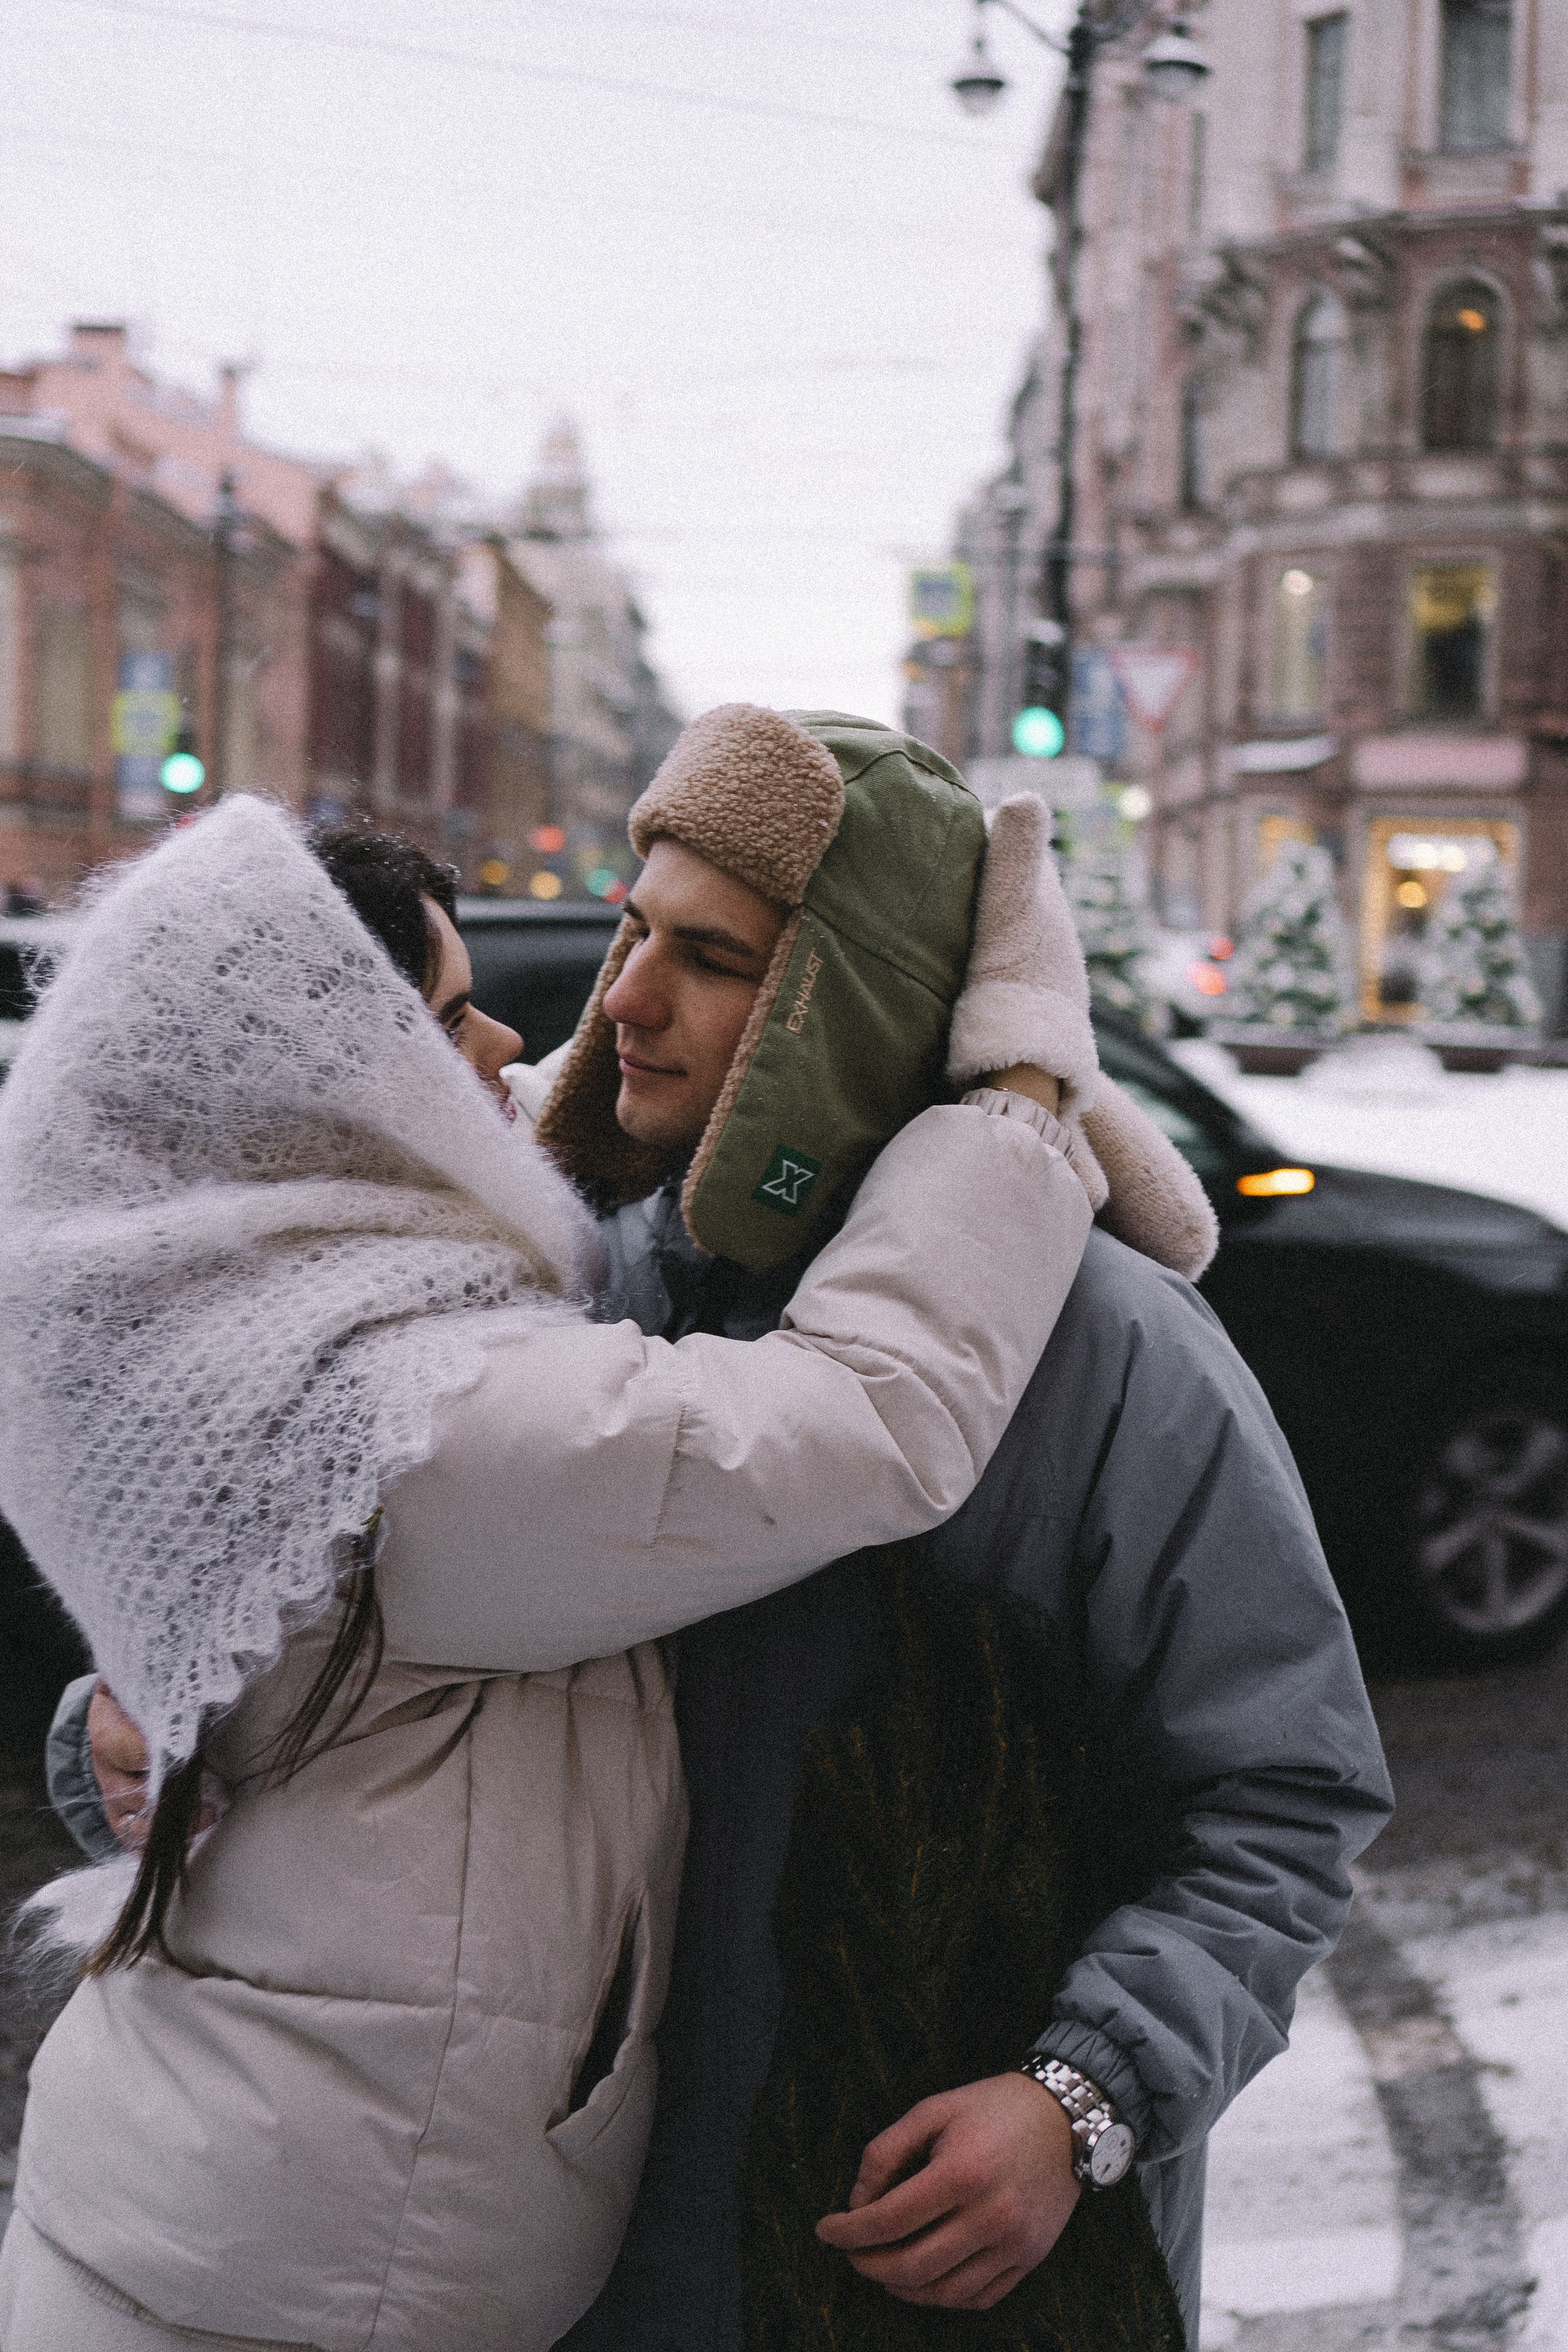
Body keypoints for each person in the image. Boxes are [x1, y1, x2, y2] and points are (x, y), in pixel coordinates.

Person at [53, 710, 1393, 2348]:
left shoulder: (1110, 1351)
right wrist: (147, 1711)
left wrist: (1082, 2094)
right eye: (633, 932)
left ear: (858, 1005)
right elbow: (374, 1668)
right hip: (584, 2274)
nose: (621, 998)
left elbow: (1284, 1793)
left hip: (936, 2282)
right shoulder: (577, 1281)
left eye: (710, 958)